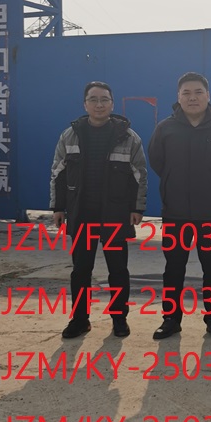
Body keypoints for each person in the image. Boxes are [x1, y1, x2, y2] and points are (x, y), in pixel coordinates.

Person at [50, 81, 147, 339]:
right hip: (82, 213)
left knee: (118, 270)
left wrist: (137, 207)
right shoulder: (69, 136)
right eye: (93, 99)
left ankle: (119, 319)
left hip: (115, 214)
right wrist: (58, 207)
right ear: (85, 104)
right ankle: (80, 320)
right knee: (81, 271)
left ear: (112, 104)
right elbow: (58, 173)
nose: (99, 104)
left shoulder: (128, 137)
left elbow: (139, 175)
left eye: (104, 99)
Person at [147, 72, 211, 341]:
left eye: (198, 92)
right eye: (186, 93)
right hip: (175, 214)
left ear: (208, 95)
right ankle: (171, 320)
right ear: (178, 97)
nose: (192, 98)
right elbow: (157, 161)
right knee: (174, 269)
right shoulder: (165, 128)